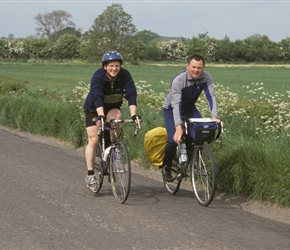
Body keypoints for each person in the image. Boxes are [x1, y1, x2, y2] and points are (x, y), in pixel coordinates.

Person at [83, 51, 141, 192]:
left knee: (116, 120)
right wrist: (101, 116)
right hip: (94, 108)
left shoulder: (125, 75)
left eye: (117, 66)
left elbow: (131, 94)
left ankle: (113, 148)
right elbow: (97, 97)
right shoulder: (98, 77)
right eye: (111, 66)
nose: (114, 68)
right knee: (94, 139)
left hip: (113, 107)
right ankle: (91, 174)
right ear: (105, 67)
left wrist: (134, 115)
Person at [161, 55, 221, 181]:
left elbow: (211, 96)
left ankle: (191, 158)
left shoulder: (206, 77)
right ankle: (166, 166)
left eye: (199, 68)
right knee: (174, 139)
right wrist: (178, 127)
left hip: (189, 108)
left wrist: (214, 116)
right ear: (187, 66)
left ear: (203, 68)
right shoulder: (179, 80)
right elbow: (176, 105)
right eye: (193, 67)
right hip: (171, 109)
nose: (196, 70)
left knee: (198, 133)